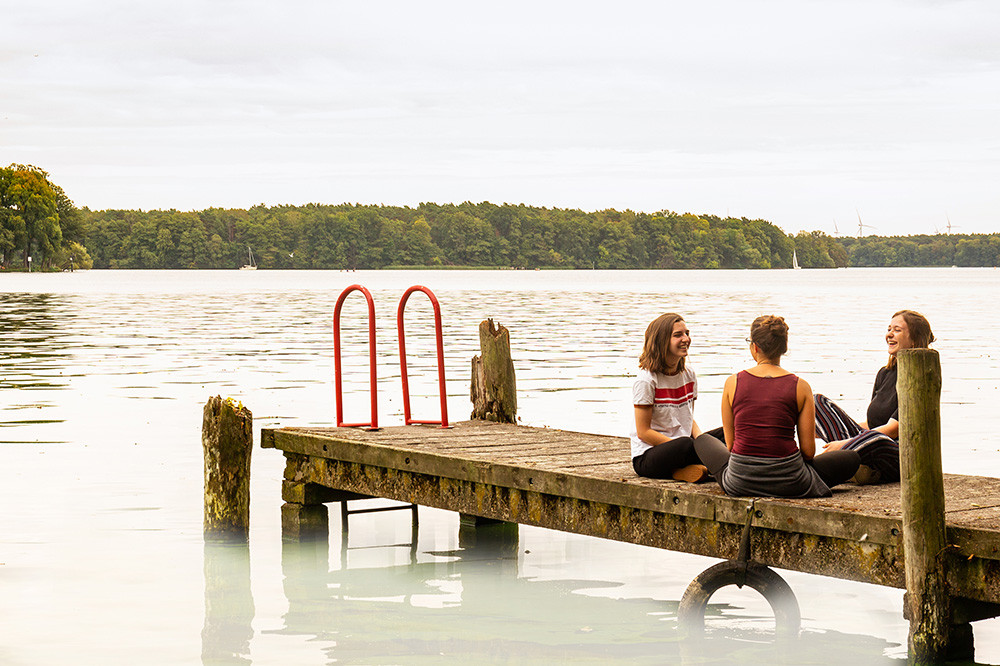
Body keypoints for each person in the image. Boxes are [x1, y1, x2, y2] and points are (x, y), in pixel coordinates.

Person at [694, 315, 860, 497]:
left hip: (740, 481)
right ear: (784, 348)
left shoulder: (732, 383)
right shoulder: (801, 386)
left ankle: (697, 470)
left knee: (702, 441)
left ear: (754, 347)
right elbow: (808, 452)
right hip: (791, 482)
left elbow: (732, 445)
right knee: (850, 458)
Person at [813, 309, 935, 484]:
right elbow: (871, 424)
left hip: (896, 455)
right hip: (868, 448)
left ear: (915, 339)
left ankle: (842, 463)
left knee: (877, 439)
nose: (889, 334)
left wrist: (843, 445)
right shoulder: (884, 374)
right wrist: (828, 425)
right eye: (888, 329)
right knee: (818, 401)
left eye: (897, 330)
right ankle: (853, 466)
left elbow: (893, 430)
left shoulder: (921, 377)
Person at [630, 313, 712, 483]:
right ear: (661, 341)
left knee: (727, 433)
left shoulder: (689, 374)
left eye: (687, 333)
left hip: (683, 448)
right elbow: (643, 432)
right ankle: (706, 465)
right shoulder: (646, 380)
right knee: (685, 444)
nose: (686, 339)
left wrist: (703, 441)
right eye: (678, 335)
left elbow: (688, 419)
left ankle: (683, 471)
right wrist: (694, 448)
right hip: (649, 456)